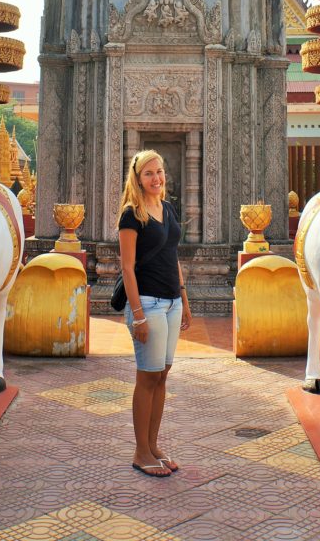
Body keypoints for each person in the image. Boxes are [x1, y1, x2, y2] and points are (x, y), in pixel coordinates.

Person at [117, 149, 192, 477]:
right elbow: (127, 268)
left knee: (162, 376)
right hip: (147, 303)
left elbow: (172, 254)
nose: (156, 178)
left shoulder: (168, 208)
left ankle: (153, 444)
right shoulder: (131, 215)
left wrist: (184, 299)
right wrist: (139, 315)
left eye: (159, 171)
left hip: (172, 302)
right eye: (148, 173)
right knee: (147, 377)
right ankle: (140, 451)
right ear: (137, 178)